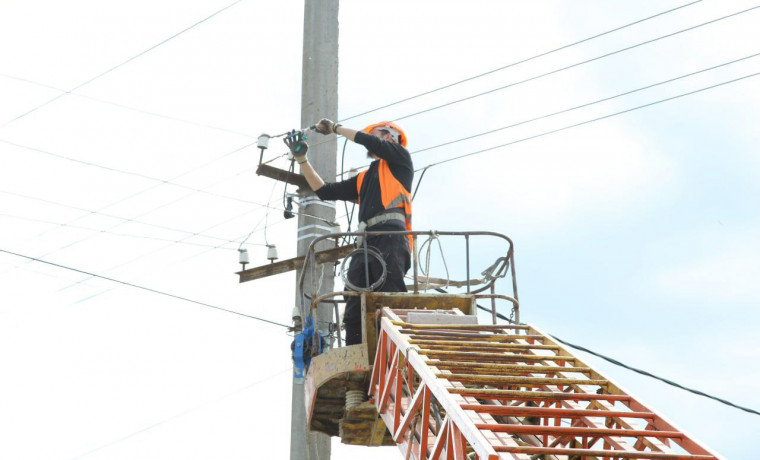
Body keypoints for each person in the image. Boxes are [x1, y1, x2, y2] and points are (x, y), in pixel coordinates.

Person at [295, 119, 413, 345]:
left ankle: (395, 350)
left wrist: (335, 128)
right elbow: (325, 191)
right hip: (366, 243)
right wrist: (302, 160)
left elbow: (367, 140)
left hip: (391, 238)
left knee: (389, 299)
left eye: (375, 134)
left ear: (390, 137)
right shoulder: (365, 177)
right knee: (353, 303)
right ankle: (355, 355)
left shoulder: (400, 160)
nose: (371, 139)